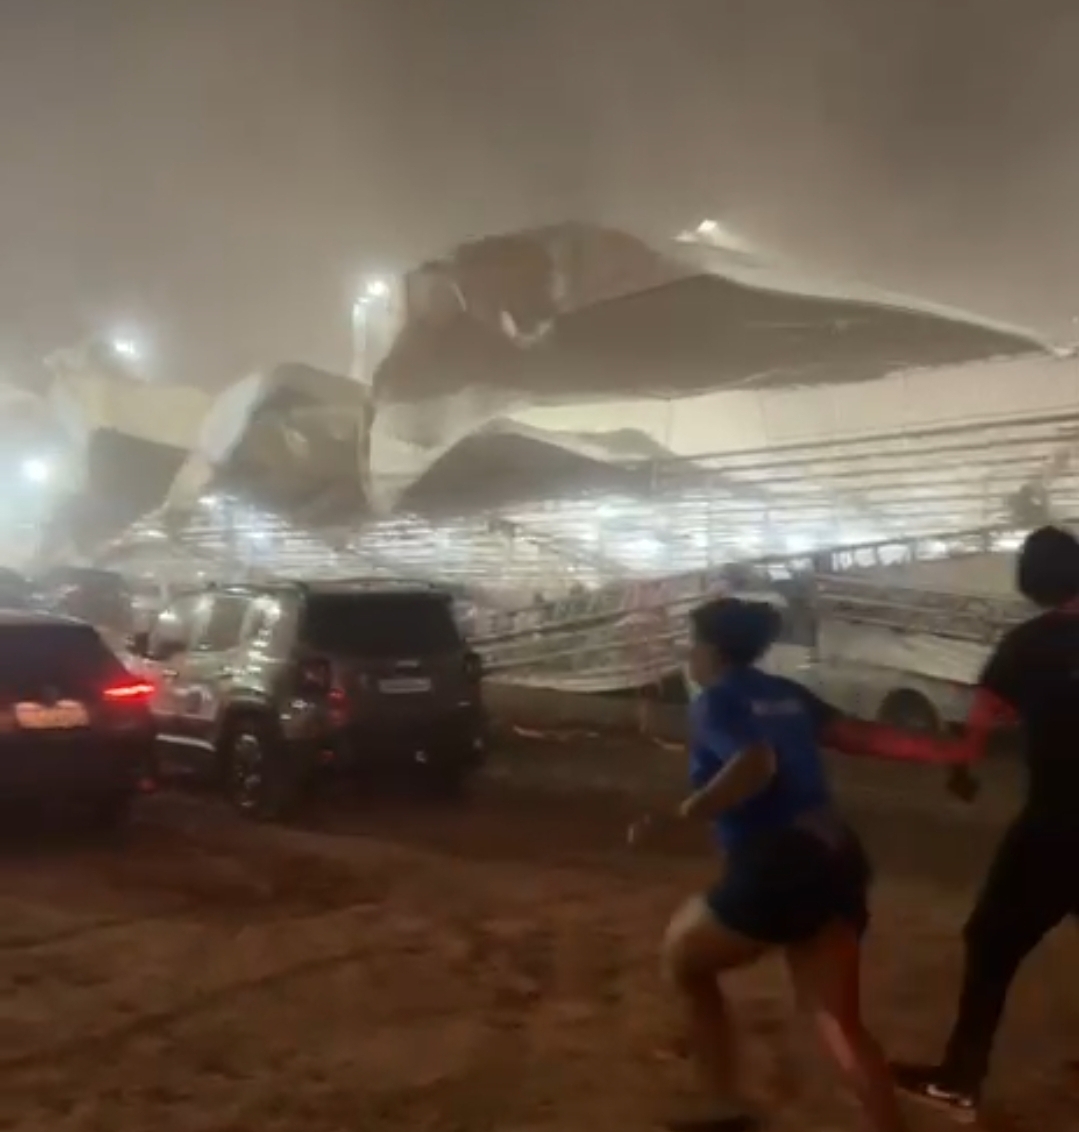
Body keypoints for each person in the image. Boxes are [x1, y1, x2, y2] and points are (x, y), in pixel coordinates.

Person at [632, 596, 909, 1132]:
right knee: (837, 1021)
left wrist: (680, 816)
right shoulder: (786, 693)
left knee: (684, 959)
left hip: (778, 868)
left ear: (711, 650)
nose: (689, 654)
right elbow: (858, 736)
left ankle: (725, 1106)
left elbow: (756, 762)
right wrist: (947, 753)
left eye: (692, 643)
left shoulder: (717, 700)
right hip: (838, 857)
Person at [883, 525, 1079, 1122]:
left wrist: (961, 772)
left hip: (1058, 823)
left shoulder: (1025, 645)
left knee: (991, 940)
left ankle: (961, 1078)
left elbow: (979, 733)